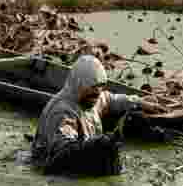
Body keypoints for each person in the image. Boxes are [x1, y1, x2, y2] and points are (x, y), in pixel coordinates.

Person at [32, 55, 165, 176]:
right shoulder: (63, 112)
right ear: (78, 84)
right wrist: (101, 143)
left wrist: (139, 102)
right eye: (92, 87)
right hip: (48, 165)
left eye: (100, 86)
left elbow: (112, 100)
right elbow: (62, 153)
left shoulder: (94, 98)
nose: (97, 92)